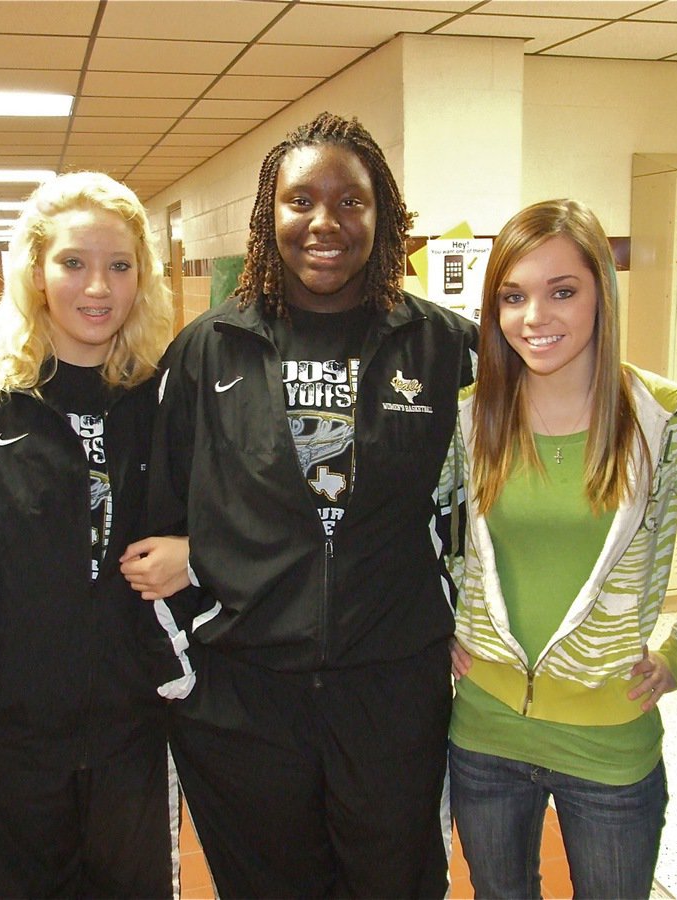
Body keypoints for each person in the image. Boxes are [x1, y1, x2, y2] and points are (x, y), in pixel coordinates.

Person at [143, 111, 477, 898]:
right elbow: (162, 520)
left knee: (397, 882)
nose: (325, 222)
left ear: (383, 215)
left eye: (351, 202)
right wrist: (187, 668)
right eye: (301, 202)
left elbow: (496, 489)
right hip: (244, 700)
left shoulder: (442, 347)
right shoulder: (209, 349)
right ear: (271, 216)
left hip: (391, 690)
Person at [0, 171, 188, 898]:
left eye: (119, 266)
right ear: (35, 273)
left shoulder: (161, 397)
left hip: (137, 729)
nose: (97, 286)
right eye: (73, 262)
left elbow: (216, 522)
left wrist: (195, 557)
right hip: (18, 735)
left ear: (141, 281)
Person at [447, 199, 677, 898]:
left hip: (609, 737)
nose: (536, 318)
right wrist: (438, 620)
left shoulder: (667, 418)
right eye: (514, 296)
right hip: (484, 729)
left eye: (562, 291)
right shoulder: (471, 417)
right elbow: (428, 534)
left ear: (602, 292)